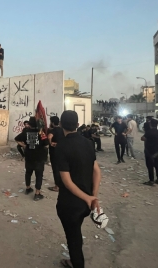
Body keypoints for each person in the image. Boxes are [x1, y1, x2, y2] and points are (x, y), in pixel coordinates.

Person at [55, 110, 101, 268]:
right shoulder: (88, 143)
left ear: (61, 124)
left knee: (73, 241)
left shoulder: (61, 147)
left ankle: (76, 263)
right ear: (78, 124)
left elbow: (67, 182)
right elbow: (97, 171)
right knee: (76, 234)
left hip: (70, 204)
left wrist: (89, 198)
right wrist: (92, 196)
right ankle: (73, 261)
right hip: (85, 204)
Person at [14, 117, 49, 201]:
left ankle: (28, 188)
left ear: (29, 124)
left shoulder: (26, 132)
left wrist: (24, 145)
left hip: (29, 156)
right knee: (39, 175)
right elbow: (47, 145)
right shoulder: (41, 133)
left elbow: (16, 139)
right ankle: (37, 193)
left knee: (28, 173)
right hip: (39, 158)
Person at [141, 118, 158, 186]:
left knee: (150, 166)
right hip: (157, 149)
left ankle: (151, 180)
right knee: (157, 165)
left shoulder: (149, 132)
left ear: (150, 124)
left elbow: (142, 138)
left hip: (149, 150)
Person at [47, 116, 64, 192]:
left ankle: (57, 186)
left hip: (54, 152)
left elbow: (50, 137)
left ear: (52, 123)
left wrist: (51, 143)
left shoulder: (53, 130)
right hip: (62, 151)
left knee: (55, 169)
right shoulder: (62, 130)